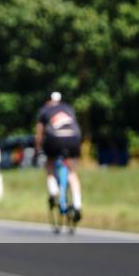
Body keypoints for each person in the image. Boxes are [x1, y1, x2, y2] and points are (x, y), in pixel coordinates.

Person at [34, 92, 83, 222]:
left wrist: (37, 149)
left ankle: (53, 191)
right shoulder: (68, 108)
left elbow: (39, 133)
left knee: (49, 165)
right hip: (73, 138)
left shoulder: (45, 110)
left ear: (49, 100)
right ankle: (77, 204)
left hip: (55, 140)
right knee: (72, 173)